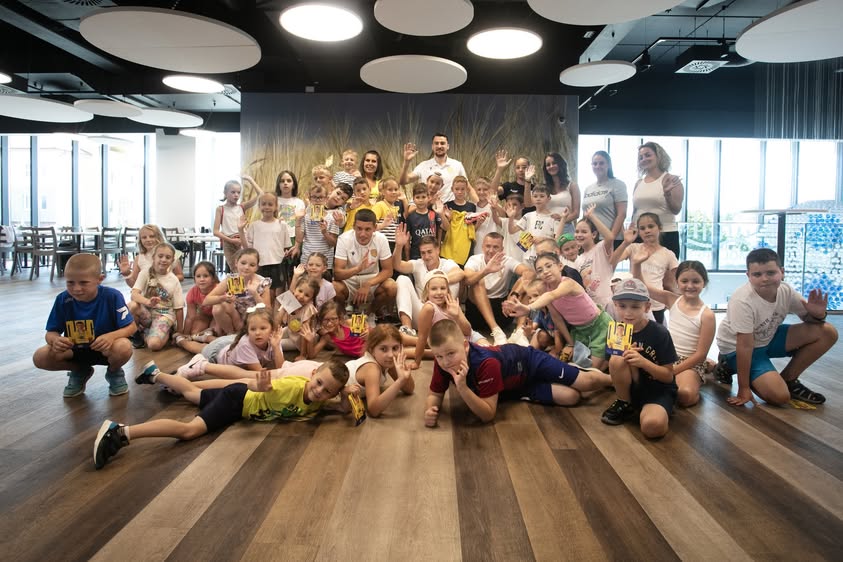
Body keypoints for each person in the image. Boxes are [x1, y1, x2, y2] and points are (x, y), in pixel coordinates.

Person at [92, 359, 351, 469]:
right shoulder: (292, 386)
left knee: (193, 393)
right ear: (313, 374)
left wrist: (346, 396)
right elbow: (256, 386)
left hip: (240, 404)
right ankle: (121, 432)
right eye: (319, 383)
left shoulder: (318, 402)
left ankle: (154, 374)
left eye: (328, 391)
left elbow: (343, 409)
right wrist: (259, 386)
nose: (320, 391)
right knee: (189, 431)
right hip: (237, 401)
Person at [423, 319, 611, 426]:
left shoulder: (486, 363)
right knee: (572, 397)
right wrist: (431, 409)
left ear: (465, 346)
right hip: (517, 387)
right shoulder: (443, 364)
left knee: (586, 383)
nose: (446, 361)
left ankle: (615, 380)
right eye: (439, 356)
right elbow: (435, 394)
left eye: (451, 353)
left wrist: (463, 388)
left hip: (529, 361)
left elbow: (487, 415)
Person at [714, 248, 837, 407]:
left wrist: (818, 315)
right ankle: (727, 364)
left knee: (827, 332)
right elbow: (745, 345)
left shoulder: (786, 290)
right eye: (757, 274)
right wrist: (743, 388)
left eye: (770, 273)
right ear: (748, 276)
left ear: (782, 272)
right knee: (780, 397)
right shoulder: (742, 300)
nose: (765, 279)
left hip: (768, 336)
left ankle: (789, 379)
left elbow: (808, 319)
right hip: (737, 348)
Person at [33, 253, 136, 397]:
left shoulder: (112, 296)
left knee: (124, 347)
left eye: (83, 283)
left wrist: (111, 336)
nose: (76, 288)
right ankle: (80, 370)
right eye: (70, 283)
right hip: (74, 350)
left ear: (99, 279)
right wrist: (55, 340)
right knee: (40, 357)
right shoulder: (63, 299)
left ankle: (114, 371)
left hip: (106, 349)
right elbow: (51, 332)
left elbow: (131, 327)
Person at [504, 252, 611, 371]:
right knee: (572, 364)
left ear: (560, 266)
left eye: (549, 266)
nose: (545, 271)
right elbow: (557, 318)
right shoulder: (545, 288)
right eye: (540, 270)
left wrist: (528, 308)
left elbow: (552, 295)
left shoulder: (568, 283)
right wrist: (571, 343)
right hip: (579, 330)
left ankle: (607, 360)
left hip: (599, 326)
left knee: (593, 369)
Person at [600, 278, 678, 438]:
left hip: (657, 390)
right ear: (615, 305)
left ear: (647, 307)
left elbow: (668, 376)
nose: (628, 312)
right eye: (622, 306)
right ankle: (625, 402)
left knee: (652, 427)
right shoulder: (617, 331)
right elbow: (612, 366)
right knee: (617, 358)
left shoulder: (659, 333)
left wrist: (643, 362)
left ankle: (658, 408)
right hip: (631, 388)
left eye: (635, 307)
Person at [632, 258, 715, 407]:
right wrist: (637, 264)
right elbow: (643, 287)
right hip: (666, 356)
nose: (690, 286)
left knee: (685, 395)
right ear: (677, 282)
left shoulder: (707, 315)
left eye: (696, 281)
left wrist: (674, 370)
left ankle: (699, 375)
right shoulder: (671, 299)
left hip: (689, 362)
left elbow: (700, 354)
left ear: (704, 283)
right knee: (636, 380)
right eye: (684, 281)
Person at [464, 232, 533, 345]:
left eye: (495, 247)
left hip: (502, 311)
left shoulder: (507, 260)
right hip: (476, 313)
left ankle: (520, 332)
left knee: (526, 282)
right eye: (488, 246)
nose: (491, 250)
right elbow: (467, 279)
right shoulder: (475, 259)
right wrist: (486, 271)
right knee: (477, 281)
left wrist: (514, 295)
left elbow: (529, 273)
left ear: (502, 249)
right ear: (482, 247)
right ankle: (496, 331)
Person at [392, 226, 463, 337]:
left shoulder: (447, 263)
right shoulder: (418, 264)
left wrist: (436, 281)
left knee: (455, 282)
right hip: (422, 313)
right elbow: (397, 265)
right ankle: (407, 329)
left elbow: (460, 273)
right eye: (423, 253)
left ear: (438, 250)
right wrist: (399, 246)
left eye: (430, 252)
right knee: (402, 279)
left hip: (443, 315)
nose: (426, 256)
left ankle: (444, 326)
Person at [332, 209, 398, 320]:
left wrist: (368, 284)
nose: (362, 234)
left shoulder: (381, 239)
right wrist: (357, 269)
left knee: (391, 287)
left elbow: (388, 270)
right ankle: (343, 318)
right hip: (350, 279)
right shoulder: (344, 239)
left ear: (375, 228)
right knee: (333, 288)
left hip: (372, 278)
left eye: (367, 229)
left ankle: (369, 314)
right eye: (359, 228)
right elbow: (337, 273)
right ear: (353, 226)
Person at [613, 214, 679, 324]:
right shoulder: (633, 248)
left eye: (651, 226)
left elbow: (674, 282)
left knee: (654, 333)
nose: (647, 231)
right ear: (639, 232)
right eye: (642, 228)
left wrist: (671, 301)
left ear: (659, 228)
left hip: (656, 304)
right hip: (634, 302)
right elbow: (612, 261)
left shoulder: (668, 254)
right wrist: (625, 242)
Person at [410, 270, 477, 369]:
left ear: (448, 290)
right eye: (434, 289)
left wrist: (457, 316)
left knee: (488, 348)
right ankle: (403, 349)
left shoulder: (452, 304)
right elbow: (422, 337)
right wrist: (417, 362)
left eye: (443, 288)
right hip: (447, 346)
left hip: (467, 340)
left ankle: (404, 342)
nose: (439, 292)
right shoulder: (429, 308)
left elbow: (468, 331)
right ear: (427, 292)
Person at [344, 324, 415, 417]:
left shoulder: (389, 361)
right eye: (383, 349)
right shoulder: (372, 369)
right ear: (372, 350)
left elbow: (409, 389)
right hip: (333, 391)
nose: (391, 355)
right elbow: (373, 410)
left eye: (395, 348)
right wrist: (400, 381)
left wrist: (403, 372)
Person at [129, 242, 184, 351]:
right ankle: (137, 333)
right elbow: (134, 294)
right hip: (147, 312)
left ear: (172, 261)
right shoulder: (145, 273)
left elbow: (179, 308)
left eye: (168, 257)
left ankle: (160, 332)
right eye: (160, 256)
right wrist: (147, 302)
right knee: (132, 305)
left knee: (154, 345)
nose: (163, 260)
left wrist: (179, 331)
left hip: (164, 315)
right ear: (153, 257)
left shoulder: (174, 280)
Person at [632, 142, 684, 258]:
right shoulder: (639, 183)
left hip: (665, 234)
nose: (644, 159)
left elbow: (676, 209)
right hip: (640, 235)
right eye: (641, 157)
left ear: (659, 156)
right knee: (639, 269)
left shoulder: (671, 180)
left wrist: (667, 194)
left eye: (648, 155)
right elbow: (635, 211)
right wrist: (632, 230)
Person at [239, 192, 292, 303]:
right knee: (264, 294)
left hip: (278, 264)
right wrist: (240, 230)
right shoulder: (254, 225)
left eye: (270, 204)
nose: (267, 207)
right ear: (259, 206)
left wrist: (287, 252)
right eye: (263, 204)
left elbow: (286, 246)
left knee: (279, 295)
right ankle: (265, 313)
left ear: (276, 206)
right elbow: (247, 248)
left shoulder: (282, 225)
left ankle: (278, 314)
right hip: (260, 265)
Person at [205, 247, 271, 335]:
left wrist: (255, 294)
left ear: (256, 267)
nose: (246, 267)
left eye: (252, 265)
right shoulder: (231, 279)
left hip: (255, 320)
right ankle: (231, 334)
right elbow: (207, 300)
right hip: (235, 318)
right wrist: (224, 298)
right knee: (218, 307)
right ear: (236, 263)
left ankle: (242, 333)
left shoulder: (262, 282)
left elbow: (268, 310)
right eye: (243, 263)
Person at [399, 133, 475, 204]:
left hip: (448, 210)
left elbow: (468, 188)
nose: (439, 146)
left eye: (442, 143)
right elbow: (403, 181)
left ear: (448, 146)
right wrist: (406, 162)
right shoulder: (423, 165)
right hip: (426, 209)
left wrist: (480, 206)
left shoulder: (457, 165)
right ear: (432, 146)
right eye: (436, 143)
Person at [298, 183, 352, 273]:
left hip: (325, 263)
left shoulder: (335, 216)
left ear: (325, 198)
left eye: (343, 198)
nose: (338, 198)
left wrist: (324, 232)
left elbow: (334, 242)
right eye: (338, 193)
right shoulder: (306, 214)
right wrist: (298, 220)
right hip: (306, 260)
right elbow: (299, 238)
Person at [213, 178, 262, 273]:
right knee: (235, 269)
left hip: (243, 240)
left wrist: (250, 180)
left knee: (247, 268)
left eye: (238, 192)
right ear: (225, 193)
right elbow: (215, 231)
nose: (236, 195)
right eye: (233, 192)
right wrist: (230, 240)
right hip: (229, 243)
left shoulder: (242, 207)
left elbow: (260, 194)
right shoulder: (220, 209)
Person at [580, 151, 628, 249]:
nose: (598, 166)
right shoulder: (588, 188)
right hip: (592, 238)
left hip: (610, 238)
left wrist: (611, 237)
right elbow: (585, 215)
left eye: (601, 163)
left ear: (608, 165)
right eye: (595, 164)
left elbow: (621, 214)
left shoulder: (618, 184)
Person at [506, 185, 562, 263]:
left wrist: (543, 239)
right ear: (532, 198)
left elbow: (557, 240)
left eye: (542, 196)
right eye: (535, 196)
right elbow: (512, 231)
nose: (538, 199)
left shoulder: (554, 217)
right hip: (527, 257)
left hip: (546, 257)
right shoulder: (528, 216)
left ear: (548, 198)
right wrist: (511, 218)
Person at [119, 223, 184, 288]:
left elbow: (180, 276)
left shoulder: (170, 255)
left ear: (159, 237)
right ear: (140, 240)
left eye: (152, 236)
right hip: (145, 293)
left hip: (167, 292)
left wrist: (164, 281)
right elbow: (134, 285)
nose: (148, 240)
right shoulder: (139, 258)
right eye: (144, 237)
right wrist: (126, 274)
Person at [174, 260, 219, 354]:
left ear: (213, 278)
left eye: (205, 276)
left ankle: (210, 339)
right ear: (194, 279)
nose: (202, 279)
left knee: (217, 332)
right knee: (194, 333)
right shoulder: (193, 292)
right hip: (204, 315)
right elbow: (190, 317)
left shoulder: (218, 288)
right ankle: (205, 337)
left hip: (217, 316)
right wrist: (185, 334)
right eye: (198, 276)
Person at [275, 277, 320, 360]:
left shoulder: (308, 308)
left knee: (275, 344)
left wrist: (302, 354)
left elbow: (304, 333)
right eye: (300, 291)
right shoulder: (290, 300)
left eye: (307, 295)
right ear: (295, 289)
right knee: (271, 338)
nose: (301, 296)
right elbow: (276, 323)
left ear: (311, 299)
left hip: (298, 340)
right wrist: (283, 308)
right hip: (290, 331)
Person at [440, 175, 477, 267]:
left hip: (465, 244)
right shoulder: (447, 205)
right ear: (452, 189)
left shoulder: (472, 207)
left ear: (467, 190)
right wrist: (448, 218)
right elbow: (443, 227)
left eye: (462, 189)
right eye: (457, 189)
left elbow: (473, 229)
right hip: (450, 243)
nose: (460, 192)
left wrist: (479, 222)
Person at [542, 152, 580, 234]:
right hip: (547, 227)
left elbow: (576, 213)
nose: (551, 166)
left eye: (554, 163)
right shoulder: (544, 188)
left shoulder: (572, 186)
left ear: (560, 164)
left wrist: (561, 219)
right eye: (548, 165)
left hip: (566, 228)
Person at [372, 178, 407, 253]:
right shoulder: (379, 205)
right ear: (383, 192)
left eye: (396, 189)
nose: (393, 192)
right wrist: (382, 225)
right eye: (390, 190)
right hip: (382, 243)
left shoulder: (396, 207)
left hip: (395, 243)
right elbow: (370, 225)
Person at [471, 176, 502, 254]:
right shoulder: (472, 207)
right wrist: (478, 224)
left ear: (489, 191)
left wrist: (496, 206)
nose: (481, 192)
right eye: (479, 189)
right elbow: (470, 231)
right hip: (477, 244)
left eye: (485, 189)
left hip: (493, 245)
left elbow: (504, 216)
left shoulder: (493, 205)